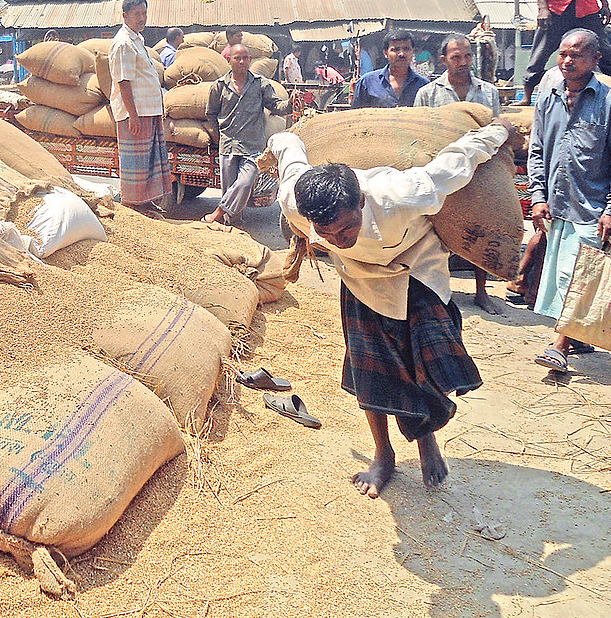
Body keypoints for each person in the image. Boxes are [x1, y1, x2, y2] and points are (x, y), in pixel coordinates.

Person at [268, 114, 515, 497]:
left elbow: (455, 163)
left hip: (417, 269)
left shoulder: (401, 194)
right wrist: (280, 137)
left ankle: (426, 439)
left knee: (427, 369)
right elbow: (290, 153)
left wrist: (498, 132)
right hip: (362, 283)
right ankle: (383, 455)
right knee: (372, 373)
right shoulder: (295, 199)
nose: (338, 238)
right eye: (327, 234)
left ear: (362, 203)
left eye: (346, 229)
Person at [528, 29, 611, 373]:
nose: (567, 61)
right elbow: (538, 150)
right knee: (561, 276)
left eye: (576, 55)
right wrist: (538, 195)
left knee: (579, 278)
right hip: (558, 204)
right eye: (562, 54)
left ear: (595, 60)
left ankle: (559, 346)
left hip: (592, 207)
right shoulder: (548, 96)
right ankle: (579, 336)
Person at [414, 33, 506, 314]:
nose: (464, 62)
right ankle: (442, 291)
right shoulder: (429, 93)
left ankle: (481, 292)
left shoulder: (488, 91)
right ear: (444, 60)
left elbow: (497, 129)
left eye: (467, 56)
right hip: (442, 171)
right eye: (457, 57)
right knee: (439, 230)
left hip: (480, 169)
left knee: (480, 228)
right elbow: (420, 134)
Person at [203, 44, 283, 226]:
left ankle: (218, 212)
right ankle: (231, 225)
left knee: (246, 183)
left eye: (245, 58)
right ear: (229, 60)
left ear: (250, 60)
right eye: (237, 58)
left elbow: (276, 106)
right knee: (229, 190)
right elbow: (211, 114)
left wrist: (291, 103)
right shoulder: (219, 86)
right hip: (228, 145)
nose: (242, 61)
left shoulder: (260, 84)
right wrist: (218, 135)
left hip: (253, 147)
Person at [109, 0, 169, 217]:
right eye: (136, 14)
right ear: (125, 16)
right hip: (136, 113)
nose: (142, 18)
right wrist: (132, 116)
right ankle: (133, 204)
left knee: (150, 160)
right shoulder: (123, 43)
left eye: (144, 13)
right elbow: (123, 81)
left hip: (149, 110)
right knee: (136, 162)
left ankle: (145, 201)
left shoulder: (136, 40)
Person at [352, 30, 429, 108]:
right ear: (385, 53)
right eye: (395, 49)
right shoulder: (367, 82)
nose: (401, 54)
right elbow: (355, 115)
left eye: (406, 49)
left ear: (413, 52)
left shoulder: (423, 85)